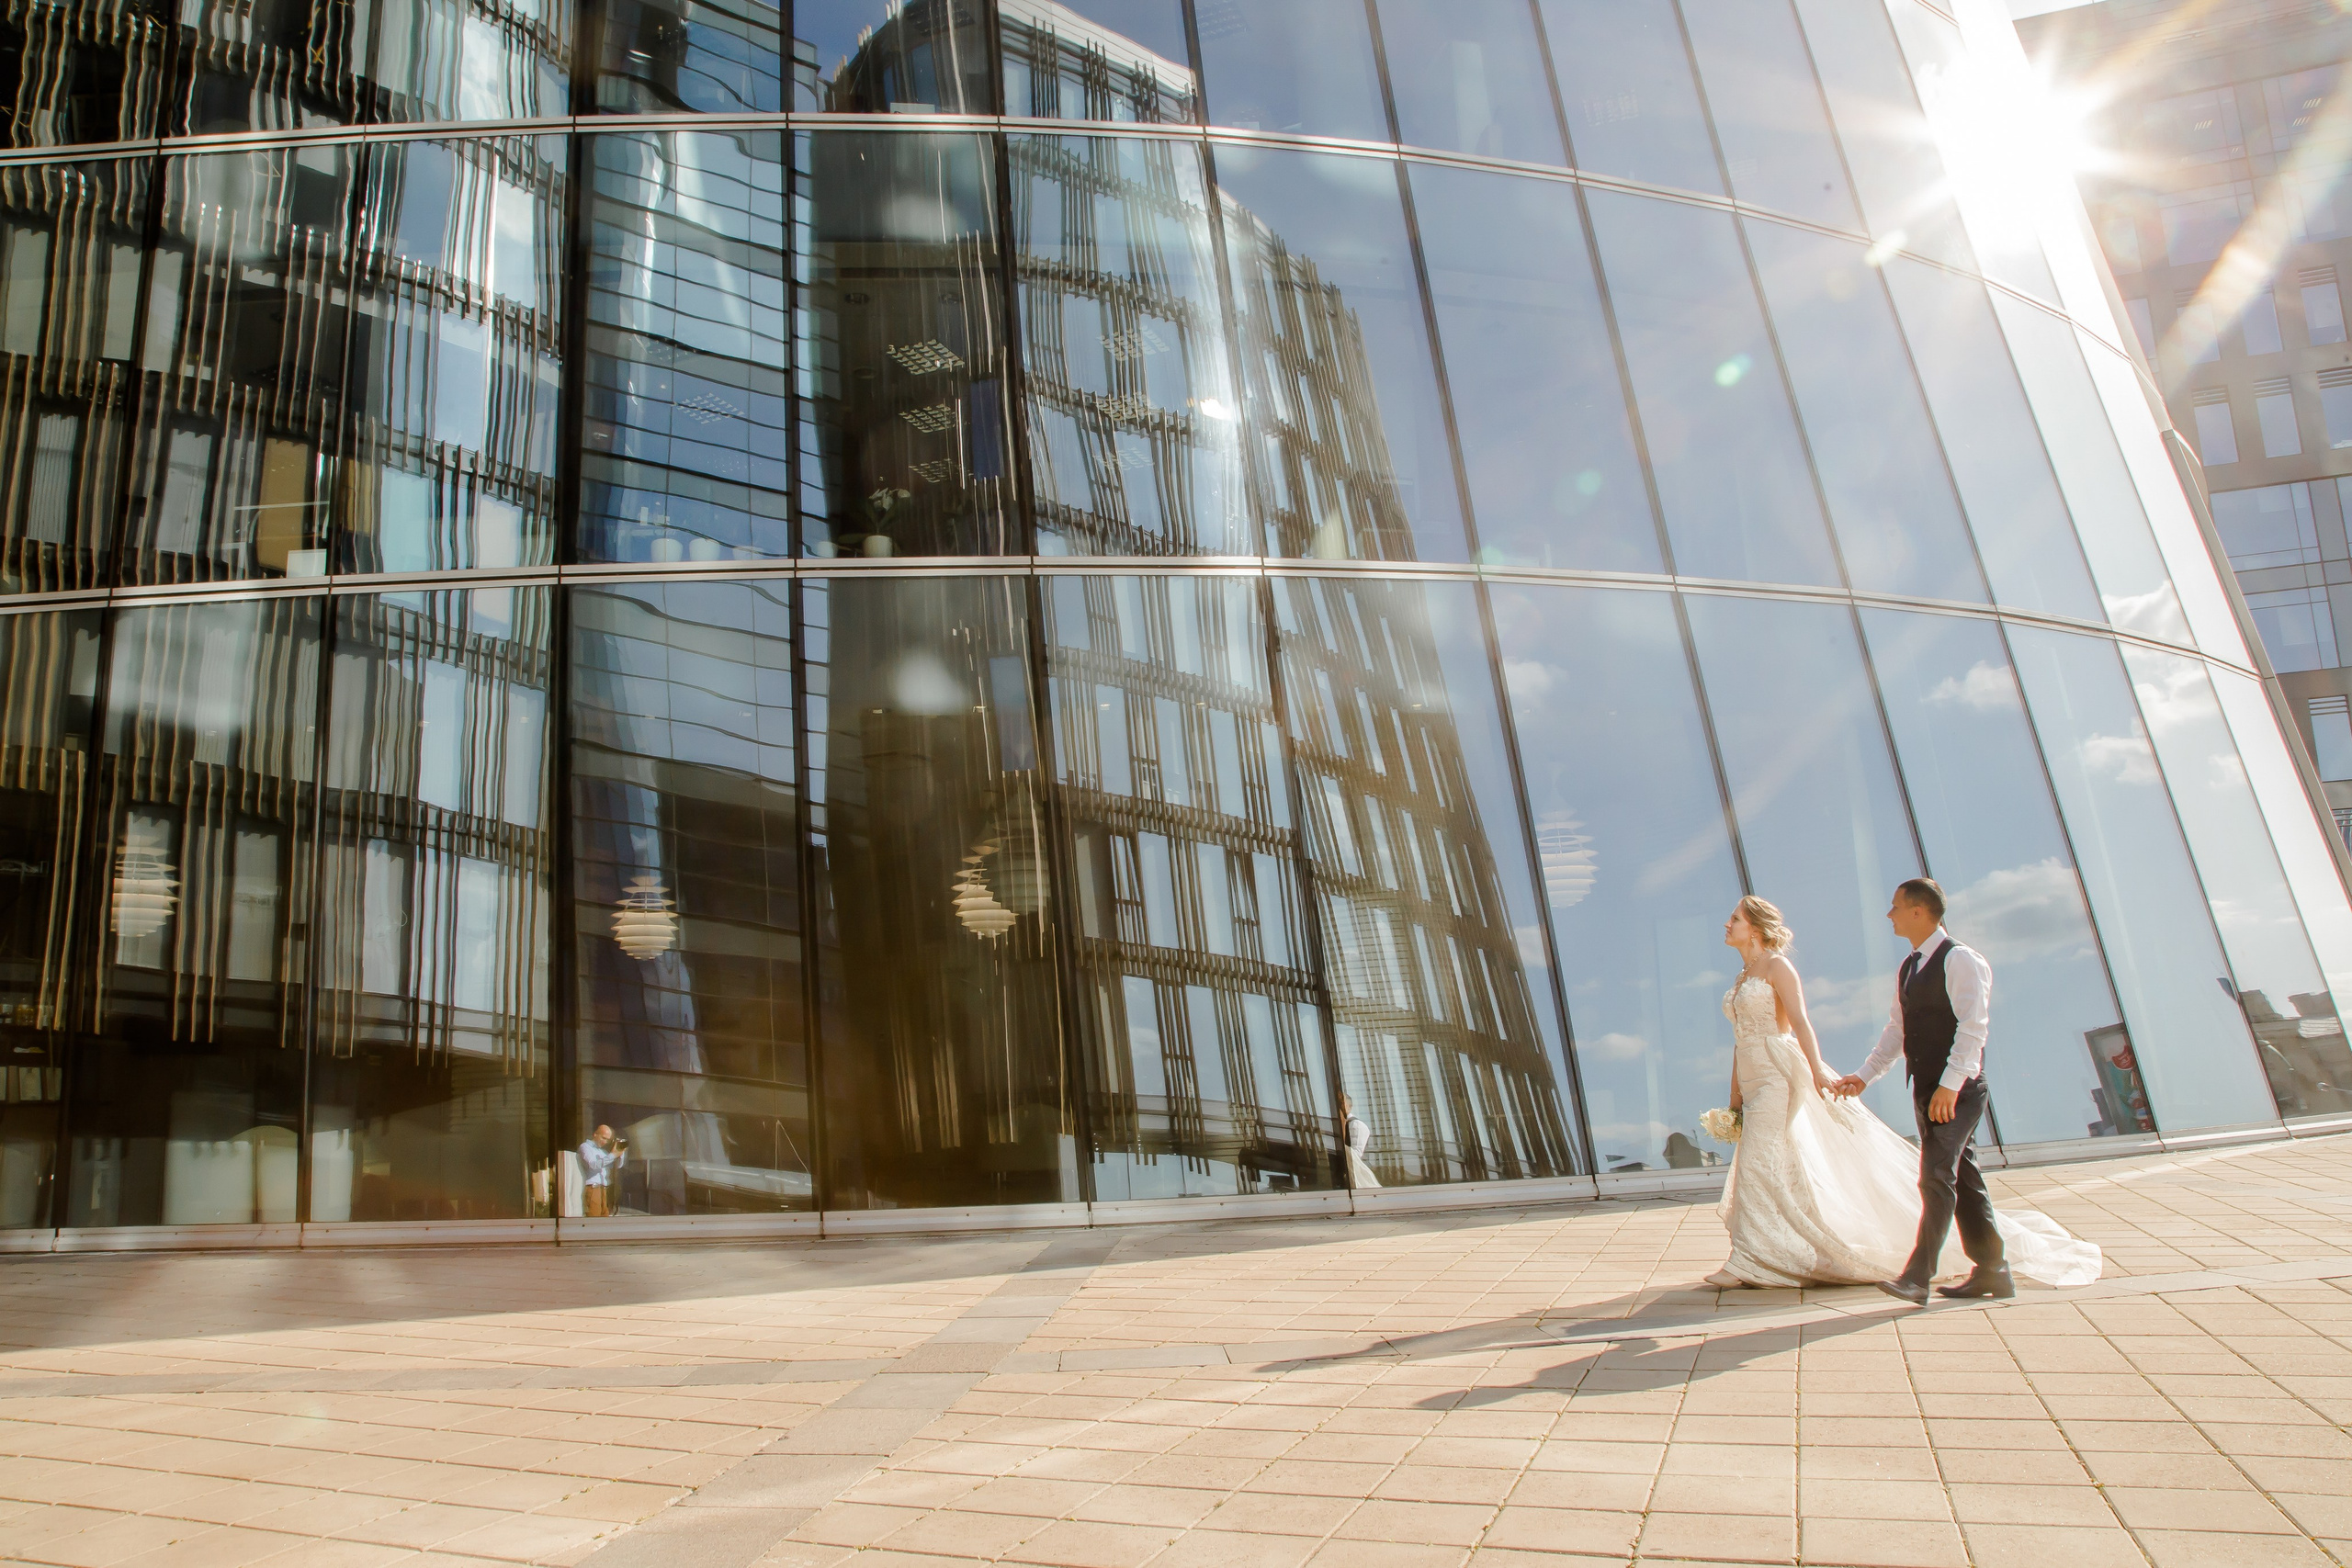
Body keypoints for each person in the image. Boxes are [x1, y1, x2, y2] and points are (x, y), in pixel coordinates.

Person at [1706, 890, 2100, 1292]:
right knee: (1961, 1178)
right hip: (1921, 1085)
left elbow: (1973, 1029)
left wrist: (1949, 1086)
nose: (1889, 913)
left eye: (1896, 906)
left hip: (1949, 1088)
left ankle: (1915, 1277)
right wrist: (1862, 1076)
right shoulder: (1910, 966)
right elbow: (1896, 1032)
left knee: (1934, 1178)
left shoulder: (1961, 958)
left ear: (1918, 911)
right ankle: (1993, 1270)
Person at [579, 1124, 627, 1216]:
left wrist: (620, 1153)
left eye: (608, 1140)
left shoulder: (602, 1152)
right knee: (594, 1217)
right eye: (603, 1138)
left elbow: (617, 1166)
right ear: (595, 1134)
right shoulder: (585, 1147)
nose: (605, 1142)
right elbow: (593, 1165)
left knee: (604, 1216)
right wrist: (612, 1155)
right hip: (593, 1188)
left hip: (603, 1188)